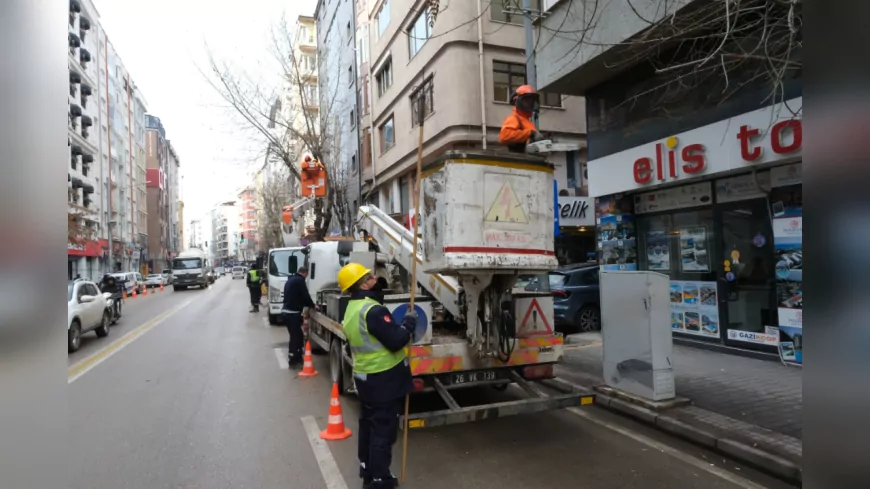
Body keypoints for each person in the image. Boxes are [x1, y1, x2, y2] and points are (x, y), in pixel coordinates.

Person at [337, 263, 416, 489]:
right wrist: (409, 324)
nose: (375, 279)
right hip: (384, 380)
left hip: (366, 378)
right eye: (370, 276)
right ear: (363, 284)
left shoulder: (352, 309)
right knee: (383, 431)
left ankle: (367, 468)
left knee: (368, 426)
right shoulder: (373, 310)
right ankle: (380, 479)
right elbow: (395, 340)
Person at [282, 266, 315, 368]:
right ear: (305, 273)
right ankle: (294, 359)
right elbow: (305, 295)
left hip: (286, 312)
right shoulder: (300, 281)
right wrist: (313, 305)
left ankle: (295, 357)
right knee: (296, 337)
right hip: (292, 313)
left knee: (296, 336)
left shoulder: (291, 280)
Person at [498, 84, 545, 152]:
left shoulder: (527, 121)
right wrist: (530, 133)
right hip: (517, 159)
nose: (530, 103)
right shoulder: (514, 118)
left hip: (529, 159)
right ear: (517, 101)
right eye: (526, 100)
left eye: (531, 101)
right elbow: (504, 136)